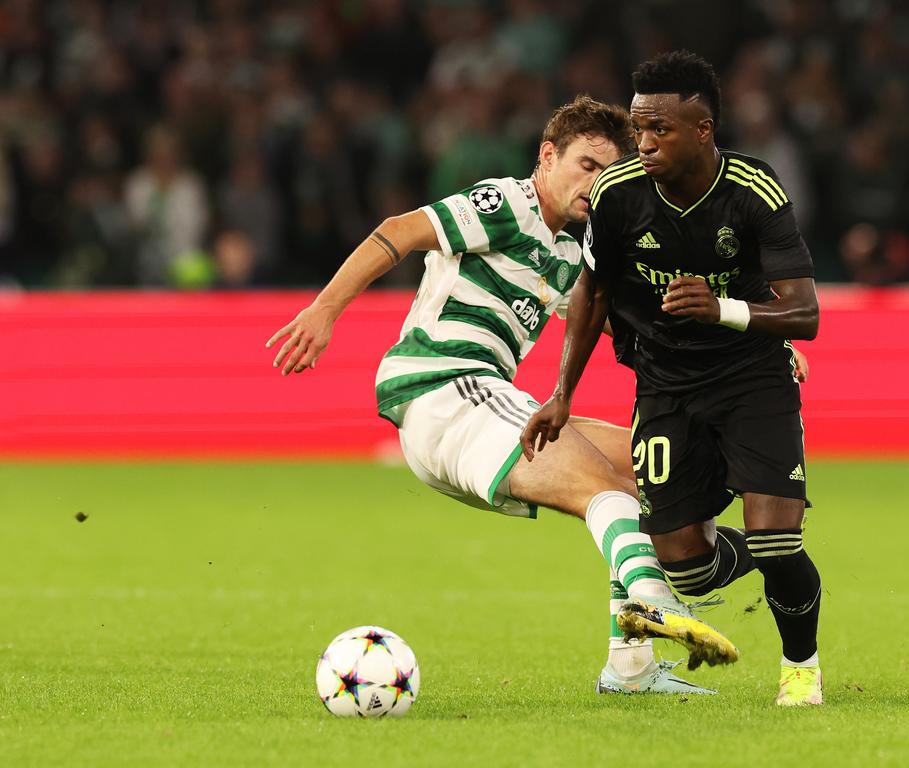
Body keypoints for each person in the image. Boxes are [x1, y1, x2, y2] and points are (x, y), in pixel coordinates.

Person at [265, 96, 740, 696]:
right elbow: (399, 231)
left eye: (609, 175)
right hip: (446, 388)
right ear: (547, 156)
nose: (597, 186)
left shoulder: (573, 252)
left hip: (476, 408)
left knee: (649, 470)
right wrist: (324, 311)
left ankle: (632, 669)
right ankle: (652, 598)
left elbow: (643, 326)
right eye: (587, 166)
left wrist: (749, 336)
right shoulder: (508, 205)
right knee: (603, 492)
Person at [521, 52, 824, 707]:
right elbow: (591, 295)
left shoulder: (754, 190)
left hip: (752, 379)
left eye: (660, 128)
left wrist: (723, 309)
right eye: (639, 128)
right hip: (665, 387)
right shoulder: (618, 194)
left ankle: (801, 666)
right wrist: (562, 394)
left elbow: (805, 313)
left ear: (704, 130)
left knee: (779, 542)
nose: (645, 142)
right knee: (687, 566)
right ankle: (766, 548)